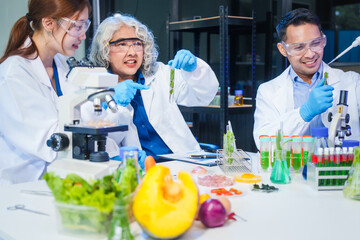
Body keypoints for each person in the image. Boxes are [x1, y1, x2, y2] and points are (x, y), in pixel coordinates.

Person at [89, 14, 219, 160]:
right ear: (104, 49)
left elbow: (204, 97)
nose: (132, 52)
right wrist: (114, 101)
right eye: (122, 44)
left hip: (183, 161)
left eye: (137, 44)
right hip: (138, 168)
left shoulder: (160, 75)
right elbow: (98, 141)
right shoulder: (94, 88)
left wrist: (195, 69)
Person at [0, 0, 92, 185]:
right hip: (22, 188)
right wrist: (94, 107)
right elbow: (51, 143)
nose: (83, 35)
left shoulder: (62, 66)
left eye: (86, 25)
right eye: (78, 26)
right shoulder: (14, 73)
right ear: (48, 23)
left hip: (57, 180)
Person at [253, 8, 360, 149]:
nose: (310, 54)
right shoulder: (268, 91)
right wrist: (304, 113)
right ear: (283, 49)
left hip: (342, 169)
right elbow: (263, 144)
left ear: (323, 40)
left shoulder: (352, 82)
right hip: (293, 170)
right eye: (299, 47)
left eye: (315, 43)